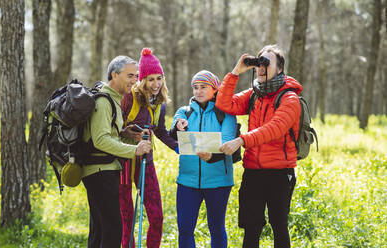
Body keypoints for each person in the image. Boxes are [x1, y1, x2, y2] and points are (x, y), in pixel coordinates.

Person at [215, 45, 302, 248]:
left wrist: (242, 140)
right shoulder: (255, 94)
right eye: (259, 63)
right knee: (251, 227)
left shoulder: (289, 98)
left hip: (280, 173)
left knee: (279, 225)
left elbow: (275, 128)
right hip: (253, 171)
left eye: (266, 63)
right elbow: (224, 103)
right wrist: (236, 72)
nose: (261, 68)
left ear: (280, 69)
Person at [81, 56, 152, 248]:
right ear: (114, 74)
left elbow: (106, 134)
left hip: (101, 170)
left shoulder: (112, 99)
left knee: (100, 230)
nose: (135, 80)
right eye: (130, 75)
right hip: (100, 172)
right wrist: (135, 150)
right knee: (112, 230)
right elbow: (101, 140)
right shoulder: (104, 101)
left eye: (136, 76)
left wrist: (125, 134)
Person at [170, 70, 237, 248]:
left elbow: (228, 140)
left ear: (214, 89)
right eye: (195, 87)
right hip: (187, 181)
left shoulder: (225, 113)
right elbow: (173, 132)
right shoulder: (184, 112)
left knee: (216, 228)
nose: (198, 91)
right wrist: (178, 127)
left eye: (203, 87)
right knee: (184, 229)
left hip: (218, 181)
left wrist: (212, 156)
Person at [119, 48, 178, 248]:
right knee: (127, 220)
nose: (155, 84)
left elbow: (160, 131)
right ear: (142, 79)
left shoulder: (159, 103)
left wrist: (179, 147)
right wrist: (127, 132)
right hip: (124, 162)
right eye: (150, 79)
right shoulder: (129, 98)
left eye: (159, 78)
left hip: (146, 160)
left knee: (157, 217)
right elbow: (113, 128)